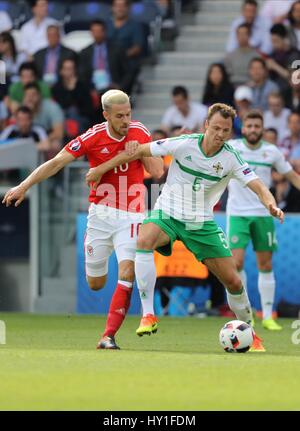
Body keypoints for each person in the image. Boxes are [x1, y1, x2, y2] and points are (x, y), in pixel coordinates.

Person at [85, 103, 285, 352]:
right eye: (215, 128)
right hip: (167, 213)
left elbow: (259, 186)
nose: (219, 134)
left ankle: (250, 331)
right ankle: (148, 315)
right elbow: (138, 152)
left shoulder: (231, 158)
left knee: (233, 282)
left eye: (225, 130)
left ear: (230, 132)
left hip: (200, 223)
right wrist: (103, 168)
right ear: (206, 126)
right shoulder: (183, 143)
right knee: (143, 241)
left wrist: (271, 204)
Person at [2, 89, 164, 350]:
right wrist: (24, 186)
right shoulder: (93, 137)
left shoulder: (139, 131)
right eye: (120, 116)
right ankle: (96, 252)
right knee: (96, 283)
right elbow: (56, 163)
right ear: (106, 115)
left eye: (129, 114)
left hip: (132, 213)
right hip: (100, 215)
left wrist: (141, 151)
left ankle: (108, 336)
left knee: (127, 271)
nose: (126, 121)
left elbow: (157, 171)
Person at [226, 110, 300, 333]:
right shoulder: (232, 148)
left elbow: (291, 176)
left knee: (265, 264)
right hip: (237, 213)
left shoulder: (272, 152)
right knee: (236, 263)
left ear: (263, 128)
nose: (253, 130)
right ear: (243, 128)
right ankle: (247, 314)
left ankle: (268, 315)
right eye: (249, 126)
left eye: (257, 126)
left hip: (264, 213)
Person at [79, 20, 134, 95]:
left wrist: (120, 87)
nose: (97, 34)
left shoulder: (117, 49)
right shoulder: (85, 52)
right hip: (92, 91)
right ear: (91, 33)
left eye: (99, 31)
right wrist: (89, 90)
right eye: (94, 31)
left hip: (113, 89)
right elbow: (82, 75)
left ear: (105, 32)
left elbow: (128, 72)